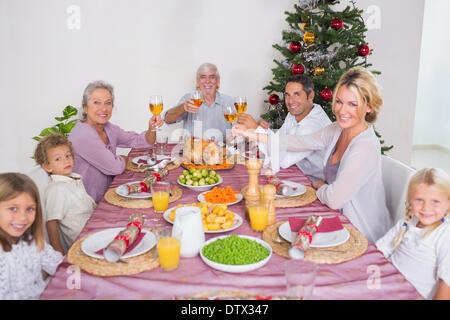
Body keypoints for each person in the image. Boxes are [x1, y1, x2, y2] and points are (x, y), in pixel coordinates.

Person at [232, 66, 392, 243]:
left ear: (368, 107)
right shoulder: (336, 129)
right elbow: (297, 142)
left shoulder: (364, 146)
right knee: (274, 229)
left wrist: (320, 186)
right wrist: (252, 134)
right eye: (339, 102)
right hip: (334, 215)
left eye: (352, 104)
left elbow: (334, 199)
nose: (341, 111)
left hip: (359, 230)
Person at [69, 80, 163, 203]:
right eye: (96, 102)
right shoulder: (83, 134)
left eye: (108, 103)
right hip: (87, 204)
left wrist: (152, 128)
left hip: (108, 194)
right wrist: (122, 159)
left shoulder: (108, 128)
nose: (103, 108)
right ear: (85, 108)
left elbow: (143, 142)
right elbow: (115, 168)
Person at [237, 74, 331, 181]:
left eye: (296, 94)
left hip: (316, 183)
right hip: (298, 170)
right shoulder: (294, 113)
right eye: (287, 95)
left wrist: (255, 129)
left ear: (310, 96)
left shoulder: (312, 125)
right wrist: (262, 130)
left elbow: (283, 160)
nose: (290, 101)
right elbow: (279, 139)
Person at [376, 168, 450, 300]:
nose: (426, 207)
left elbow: (447, 281)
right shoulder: (407, 222)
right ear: (410, 201)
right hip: (387, 285)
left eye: (435, 201)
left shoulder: (444, 234)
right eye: (419, 200)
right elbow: (381, 249)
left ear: (448, 204)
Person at [0, 173, 63, 300]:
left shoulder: (32, 242)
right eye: (13, 208)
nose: (23, 217)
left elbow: (60, 266)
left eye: (30, 209)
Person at [34, 133, 96, 254]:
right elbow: (51, 223)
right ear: (47, 167)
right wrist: (59, 253)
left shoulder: (75, 178)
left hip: (94, 228)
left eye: (68, 155)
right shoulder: (57, 189)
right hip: (83, 242)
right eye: (58, 159)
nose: (66, 160)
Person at [163, 62, 234, 140]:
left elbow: (240, 130)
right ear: (197, 81)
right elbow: (167, 119)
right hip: (193, 150)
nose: (207, 81)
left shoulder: (229, 101)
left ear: (218, 81)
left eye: (212, 77)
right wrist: (183, 107)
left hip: (221, 150)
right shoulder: (189, 99)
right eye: (203, 77)